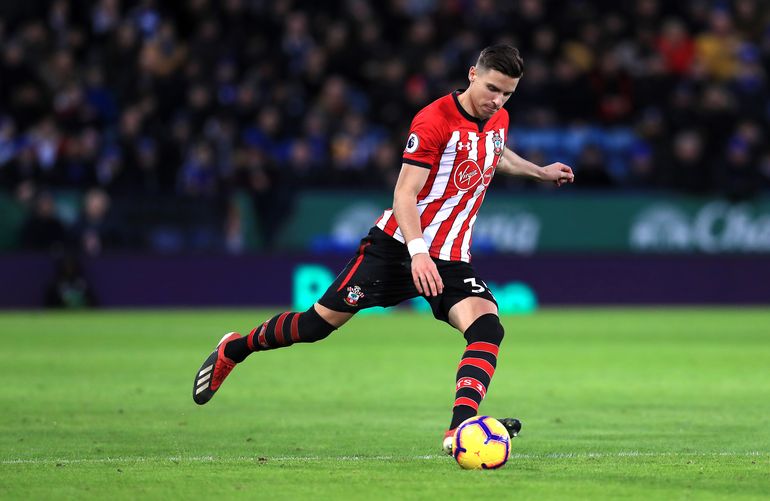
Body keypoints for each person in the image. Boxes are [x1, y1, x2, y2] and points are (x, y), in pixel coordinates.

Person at [191, 45, 575, 454]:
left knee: (487, 328)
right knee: (314, 326)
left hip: (450, 258)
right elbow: (404, 194)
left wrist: (537, 170)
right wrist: (418, 252)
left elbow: (494, 152)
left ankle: (459, 430)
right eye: (492, 89)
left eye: (507, 94)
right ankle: (234, 348)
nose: (497, 100)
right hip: (396, 248)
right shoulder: (434, 120)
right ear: (472, 75)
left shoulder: (499, 118)